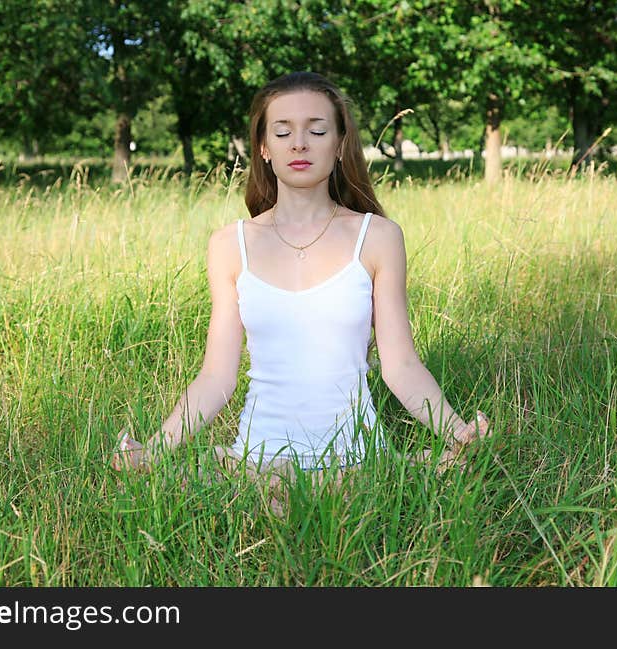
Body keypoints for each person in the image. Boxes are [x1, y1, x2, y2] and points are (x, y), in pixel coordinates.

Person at [111, 71, 489, 500]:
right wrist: (156, 451)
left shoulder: (378, 237)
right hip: (256, 461)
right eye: (283, 131)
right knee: (208, 496)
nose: (299, 143)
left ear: (341, 144)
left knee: (391, 499)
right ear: (264, 147)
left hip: (358, 462)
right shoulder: (229, 245)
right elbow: (217, 377)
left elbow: (400, 366)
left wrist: (457, 430)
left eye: (317, 129)